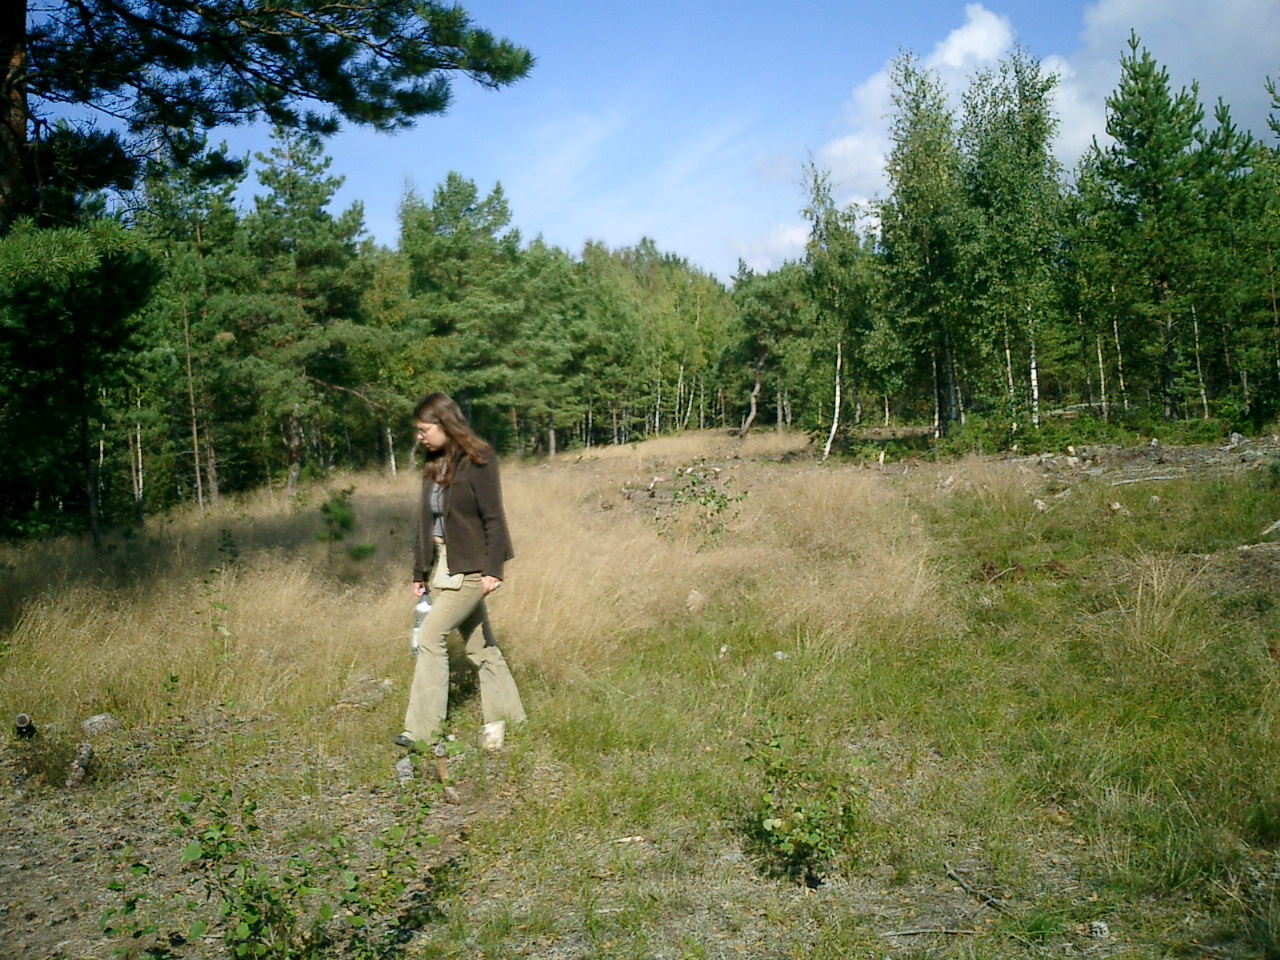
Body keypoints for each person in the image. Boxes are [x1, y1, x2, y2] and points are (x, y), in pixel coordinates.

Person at [397, 392, 526, 747]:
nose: (419, 437)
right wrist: (419, 572)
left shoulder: (478, 459)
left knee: (430, 637)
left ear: (444, 424)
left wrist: (493, 569)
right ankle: (510, 719)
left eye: (424, 430)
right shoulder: (433, 463)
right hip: (442, 565)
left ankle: (422, 731)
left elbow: (494, 518)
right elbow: (425, 523)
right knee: (481, 647)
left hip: (471, 567)